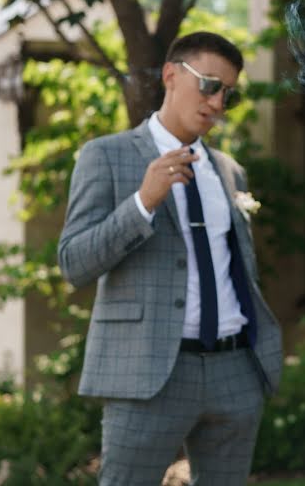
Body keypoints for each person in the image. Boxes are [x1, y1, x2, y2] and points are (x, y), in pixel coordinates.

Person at [58, 31, 282, 486]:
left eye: (228, 93)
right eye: (209, 85)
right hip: (148, 374)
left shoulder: (228, 170)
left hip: (234, 370)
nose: (218, 102)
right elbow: (73, 263)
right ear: (171, 76)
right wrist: (143, 201)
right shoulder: (106, 156)